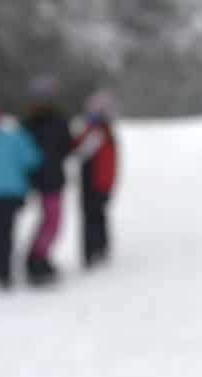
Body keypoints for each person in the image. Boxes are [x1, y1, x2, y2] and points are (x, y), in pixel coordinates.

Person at [0, 102, 41, 289]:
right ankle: (4, 273)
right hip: (12, 193)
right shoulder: (17, 137)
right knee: (6, 231)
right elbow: (32, 160)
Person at [22, 75, 73, 284]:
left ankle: (38, 257)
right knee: (52, 221)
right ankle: (36, 259)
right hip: (43, 179)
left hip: (51, 178)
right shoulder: (30, 123)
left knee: (51, 221)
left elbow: (67, 147)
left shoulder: (56, 120)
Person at [73, 91, 119, 268]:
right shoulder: (105, 132)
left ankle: (93, 251)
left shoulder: (98, 132)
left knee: (92, 217)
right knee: (98, 216)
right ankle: (100, 248)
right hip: (101, 183)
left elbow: (82, 151)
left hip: (95, 182)